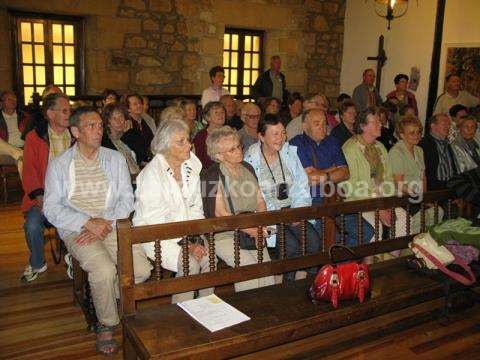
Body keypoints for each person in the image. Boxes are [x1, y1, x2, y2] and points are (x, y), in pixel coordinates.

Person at [43, 106, 151, 356]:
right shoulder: (60, 165)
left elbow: (127, 198)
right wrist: (86, 222)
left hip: (112, 224)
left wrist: (105, 222)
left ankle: (102, 296)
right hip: (77, 228)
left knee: (142, 270)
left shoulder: (114, 159)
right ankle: (106, 323)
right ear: (75, 131)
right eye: (91, 125)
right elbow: (51, 208)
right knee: (104, 270)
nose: (98, 129)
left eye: (100, 125)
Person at [133, 119, 213, 303]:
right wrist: (188, 245)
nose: (189, 145)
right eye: (181, 142)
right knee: (189, 263)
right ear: (166, 146)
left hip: (187, 232)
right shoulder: (152, 175)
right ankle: (181, 311)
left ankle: (206, 306)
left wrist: (197, 238)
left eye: (188, 140)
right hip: (155, 234)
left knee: (210, 259)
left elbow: (195, 207)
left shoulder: (190, 166)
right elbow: (156, 222)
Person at [244, 114, 321, 281]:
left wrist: (297, 211)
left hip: (292, 210)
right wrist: (277, 216)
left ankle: (313, 284)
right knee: (290, 246)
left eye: (283, 133)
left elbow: (301, 185)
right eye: (275, 134)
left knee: (314, 242)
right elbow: (251, 197)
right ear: (261, 136)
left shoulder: (289, 153)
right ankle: (287, 286)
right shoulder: (250, 159)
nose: (281, 138)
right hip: (269, 215)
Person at [202, 126, 275, 291]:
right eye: (232, 149)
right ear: (219, 155)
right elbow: (220, 214)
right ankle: (248, 310)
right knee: (248, 268)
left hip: (252, 229)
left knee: (266, 268)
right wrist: (251, 230)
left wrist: (261, 226)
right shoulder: (209, 176)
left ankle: (269, 308)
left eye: (239, 146)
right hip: (223, 233)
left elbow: (260, 201)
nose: (238, 151)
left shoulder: (247, 168)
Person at [290, 109, 374, 246]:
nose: (322, 127)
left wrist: (323, 174)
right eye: (317, 123)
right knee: (330, 241)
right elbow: (310, 179)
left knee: (366, 232)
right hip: (312, 201)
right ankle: (334, 264)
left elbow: (346, 173)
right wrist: (333, 169)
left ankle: (339, 264)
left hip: (335, 198)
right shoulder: (297, 143)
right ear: (305, 126)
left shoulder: (332, 142)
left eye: (324, 123)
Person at [20, 93, 73, 282]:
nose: (69, 114)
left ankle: (75, 260)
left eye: (69, 110)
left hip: (72, 197)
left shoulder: (76, 134)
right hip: (44, 196)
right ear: (50, 114)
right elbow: (29, 172)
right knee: (33, 225)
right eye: (64, 110)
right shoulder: (35, 137)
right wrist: (41, 200)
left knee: (74, 223)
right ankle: (37, 263)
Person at [342, 108, 407, 255]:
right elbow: (350, 186)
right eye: (375, 122)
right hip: (359, 201)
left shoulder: (380, 147)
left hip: (381, 198)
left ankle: (391, 258)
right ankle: (370, 265)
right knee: (374, 227)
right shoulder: (350, 149)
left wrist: (387, 202)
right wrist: (377, 206)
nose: (380, 124)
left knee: (403, 218)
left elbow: (389, 178)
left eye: (380, 121)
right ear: (363, 126)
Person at [388, 115, 442, 232]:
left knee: (438, 211)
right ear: (402, 135)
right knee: (423, 217)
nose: (417, 135)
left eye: (418, 132)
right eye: (412, 133)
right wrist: (418, 197)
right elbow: (399, 184)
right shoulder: (396, 152)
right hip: (402, 198)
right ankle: (412, 241)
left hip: (417, 197)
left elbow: (423, 177)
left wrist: (425, 198)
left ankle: (425, 242)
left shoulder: (419, 150)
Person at [101, 103, 149, 173]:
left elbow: (142, 157)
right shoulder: (105, 142)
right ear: (108, 122)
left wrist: (127, 134)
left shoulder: (131, 135)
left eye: (120, 116)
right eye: (114, 118)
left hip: (138, 175)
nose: (119, 121)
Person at [419, 113, 457, 190]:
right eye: (444, 123)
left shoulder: (449, 144)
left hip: (452, 187)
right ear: (433, 125)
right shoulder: (423, 145)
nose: (448, 126)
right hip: (434, 190)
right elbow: (425, 174)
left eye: (449, 124)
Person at [0, 90, 29, 177]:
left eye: (14, 99)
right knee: (21, 155)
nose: (13, 101)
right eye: (9, 99)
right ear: (2, 103)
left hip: (22, 149)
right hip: (4, 153)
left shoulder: (24, 117)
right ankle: (20, 153)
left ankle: (28, 189)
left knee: (20, 160)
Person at [192, 101, 226, 170]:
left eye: (222, 112)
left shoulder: (229, 132)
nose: (221, 115)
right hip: (209, 172)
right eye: (216, 113)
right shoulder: (201, 136)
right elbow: (200, 161)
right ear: (208, 117)